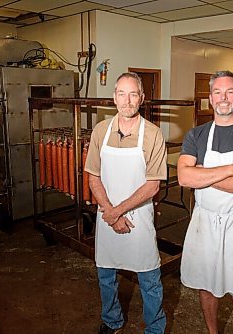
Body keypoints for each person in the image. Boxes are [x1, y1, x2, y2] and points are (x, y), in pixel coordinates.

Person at [177, 70, 233, 334]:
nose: (223, 98)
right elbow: (184, 177)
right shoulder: (196, 135)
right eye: (217, 92)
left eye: (229, 92)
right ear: (210, 98)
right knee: (207, 287)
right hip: (204, 222)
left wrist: (203, 176)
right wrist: (232, 169)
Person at [85, 72, 167, 334]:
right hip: (107, 214)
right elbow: (93, 176)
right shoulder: (101, 131)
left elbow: (153, 186)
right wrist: (110, 212)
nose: (127, 100)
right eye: (122, 93)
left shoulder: (153, 135)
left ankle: (154, 329)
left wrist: (117, 212)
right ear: (114, 97)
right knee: (106, 276)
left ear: (141, 98)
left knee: (150, 279)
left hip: (137, 220)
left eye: (133, 94)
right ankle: (111, 320)